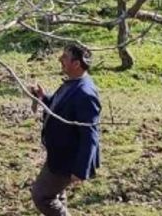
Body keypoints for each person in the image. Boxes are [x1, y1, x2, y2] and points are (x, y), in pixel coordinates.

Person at [28, 45, 101, 216]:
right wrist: (43, 98)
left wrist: (80, 170)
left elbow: (90, 135)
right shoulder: (73, 83)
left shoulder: (85, 93)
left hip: (68, 160)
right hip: (59, 155)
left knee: (42, 196)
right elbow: (59, 107)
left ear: (76, 64)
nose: (60, 59)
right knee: (56, 195)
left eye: (65, 57)